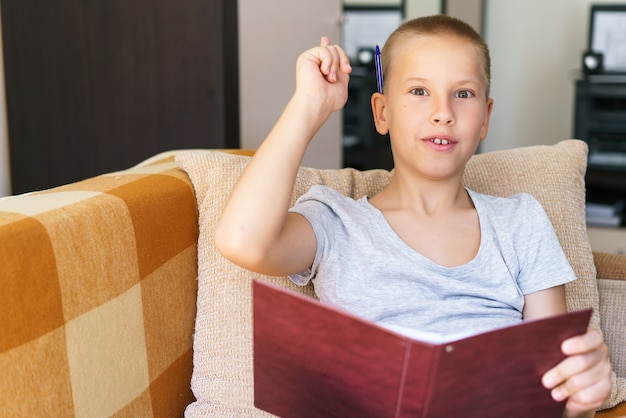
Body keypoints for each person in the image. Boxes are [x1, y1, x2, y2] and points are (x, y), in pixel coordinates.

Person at [215, 15, 611, 417]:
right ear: (382, 112)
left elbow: (553, 390)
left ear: (486, 118)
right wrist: (308, 106)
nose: (443, 112)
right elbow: (243, 239)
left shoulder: (520, 222)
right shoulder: (336, 220)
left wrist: (578, 404)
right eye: (420, 90)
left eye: (464, 94)